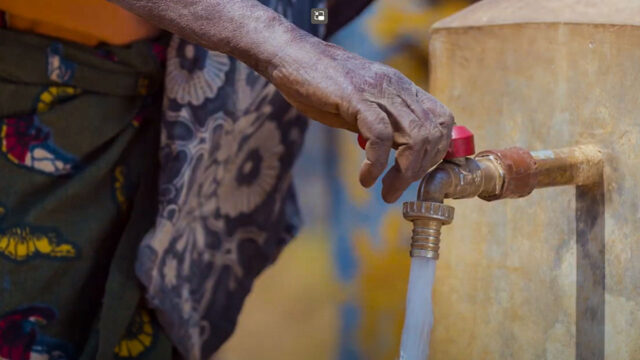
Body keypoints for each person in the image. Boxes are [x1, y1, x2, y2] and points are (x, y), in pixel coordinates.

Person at [0, 0, 453, 359]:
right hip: (56, 107)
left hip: (205, 158)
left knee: (157, 326)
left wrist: (307, 27)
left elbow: (319, 8)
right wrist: (282, 44)